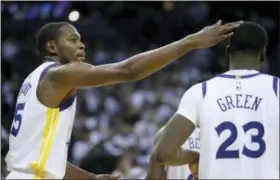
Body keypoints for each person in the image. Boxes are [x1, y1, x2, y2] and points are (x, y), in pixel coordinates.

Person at [5, 20, 241, 179]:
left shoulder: (33, 80)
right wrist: (189, 42)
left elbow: (45, 162)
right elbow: (128, 71)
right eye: (73, 39)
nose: (81, 44)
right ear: (51, 46)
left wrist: (92, 178)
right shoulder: (59, 74)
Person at [148, 21, 279, 179]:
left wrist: (193, 157)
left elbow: (163, 153)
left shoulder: (201, 92)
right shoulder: (276, 88)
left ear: (228, 52)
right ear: (263, 55)